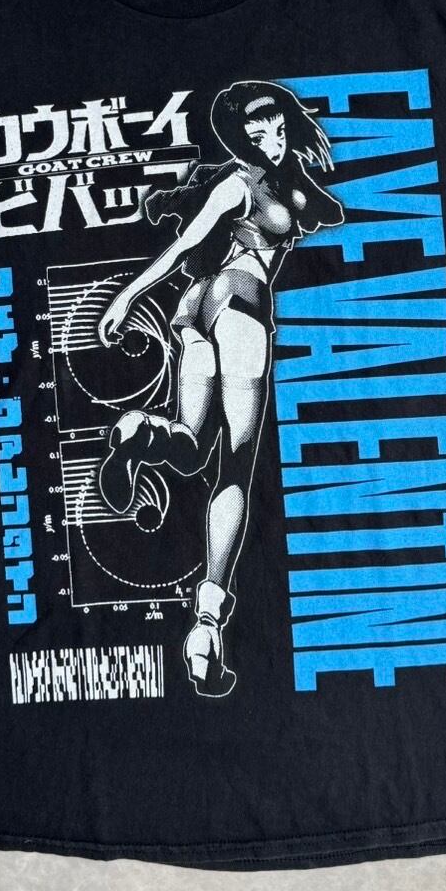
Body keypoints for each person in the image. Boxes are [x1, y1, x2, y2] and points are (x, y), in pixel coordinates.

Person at [96, 80, 344, 696]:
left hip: (194, 308)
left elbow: (316, 207)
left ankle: (140, 431)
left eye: (278, 126)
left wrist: (131, 299)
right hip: (240, 302)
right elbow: (183, 242)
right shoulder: (239, 183)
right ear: (240, 139)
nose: (273, 139)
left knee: (188, 446)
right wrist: (126, 296)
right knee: (235, 465)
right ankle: (207, 623)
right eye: (259, 132)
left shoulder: (269, 181)